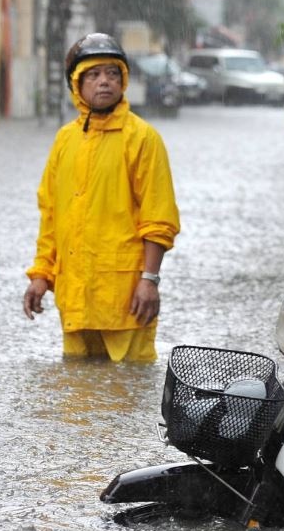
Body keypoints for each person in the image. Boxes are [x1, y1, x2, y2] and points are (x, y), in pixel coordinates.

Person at [23, 33, 181, 362]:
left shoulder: (143, 139)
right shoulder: (65, 140)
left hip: (125, 298)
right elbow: (51, 215)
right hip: (74, 297)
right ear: (77, 86)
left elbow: (159, 218)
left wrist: (149, 280)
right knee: (79, 399)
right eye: (93, 75)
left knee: (127, 393)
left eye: (112, 73)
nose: (104, 82)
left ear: (123, 80)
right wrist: (41, 276)